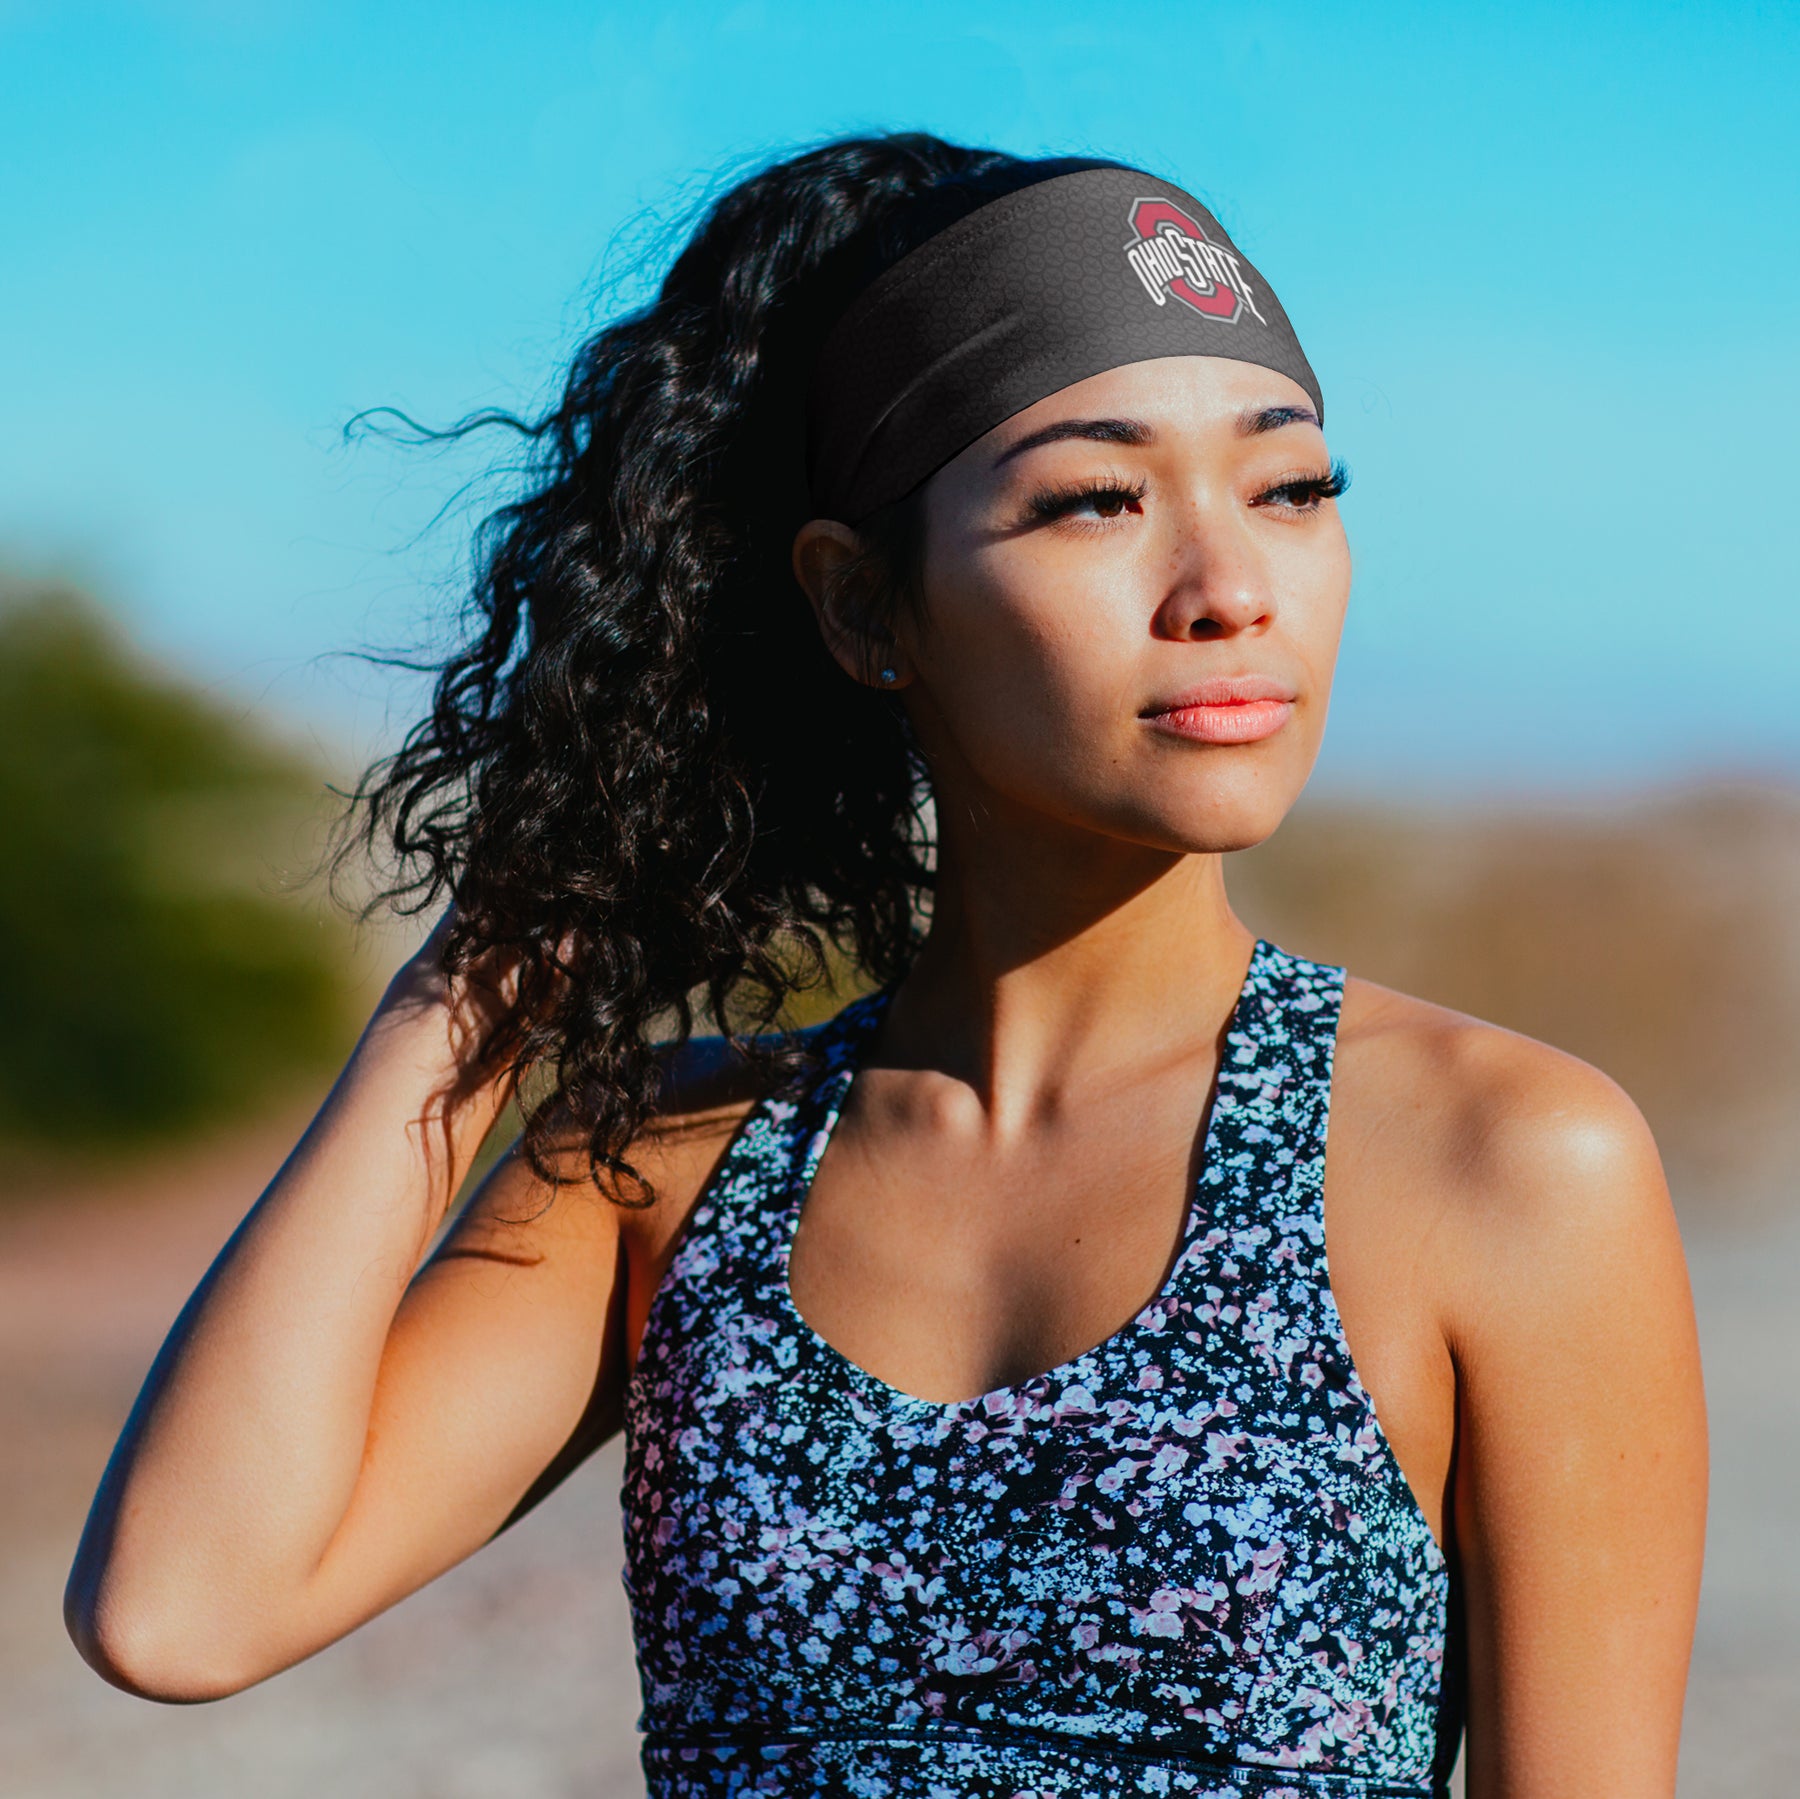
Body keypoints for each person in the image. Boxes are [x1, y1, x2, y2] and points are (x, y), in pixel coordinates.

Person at [65, 134, 1707, 1797]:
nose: (1229, 589)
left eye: (1291, 489)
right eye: (1096, 500)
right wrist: (495, 968)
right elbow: (182, 1609)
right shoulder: (666, 1176)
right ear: (863, 608)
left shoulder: (1499, 1162)